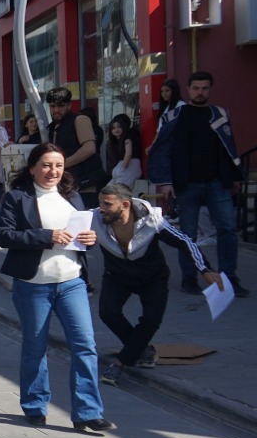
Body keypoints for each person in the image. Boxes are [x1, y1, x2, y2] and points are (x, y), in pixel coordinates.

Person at [0, 143, 113, 432]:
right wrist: (47, 236)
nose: (53, 171)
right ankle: (35, 405)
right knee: (36, 347)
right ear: (33, 167)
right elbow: (5, 235)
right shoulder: (16, 198)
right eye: (47, 165)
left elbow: (82, 234)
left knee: (85, 345)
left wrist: (88, 240)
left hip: (71, 281)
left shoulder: (72, 197)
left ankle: (88, 412)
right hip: (34, 284)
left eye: (59, 166)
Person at [95, 181, 219, 385]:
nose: (102, 209)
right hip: (117, 275)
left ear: (125, 205)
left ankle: (120, 364)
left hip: (152, 277)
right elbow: (72, 235)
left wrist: (205, 269)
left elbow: (184, 241)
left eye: (107, 204)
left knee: (151, 320)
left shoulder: (152, 220)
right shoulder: (94, 218)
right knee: (108, 312)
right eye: (101, 203)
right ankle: (142, 350)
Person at [148, 70, 247, 297]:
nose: (200, 92)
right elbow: (162, 150)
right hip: (186, 184)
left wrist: (234, 177)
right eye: (196, 88)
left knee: (228, 229)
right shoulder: (174, 116)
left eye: (204, 88)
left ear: (209, 89)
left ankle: (229, 278)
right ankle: (189, 279)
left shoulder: (219, 114)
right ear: (189, 89)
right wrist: (165, 182)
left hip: (217, 183)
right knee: (188, 235)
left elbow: (229, 148)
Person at [44, 88, 105, 207]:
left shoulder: (80, 120)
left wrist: (63, 164)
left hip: (87, 185)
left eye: (60, 106)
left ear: (69, 105)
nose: (56, 110)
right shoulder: (54, 127)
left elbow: (89, 148)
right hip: (69, 186)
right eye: (52, 106)